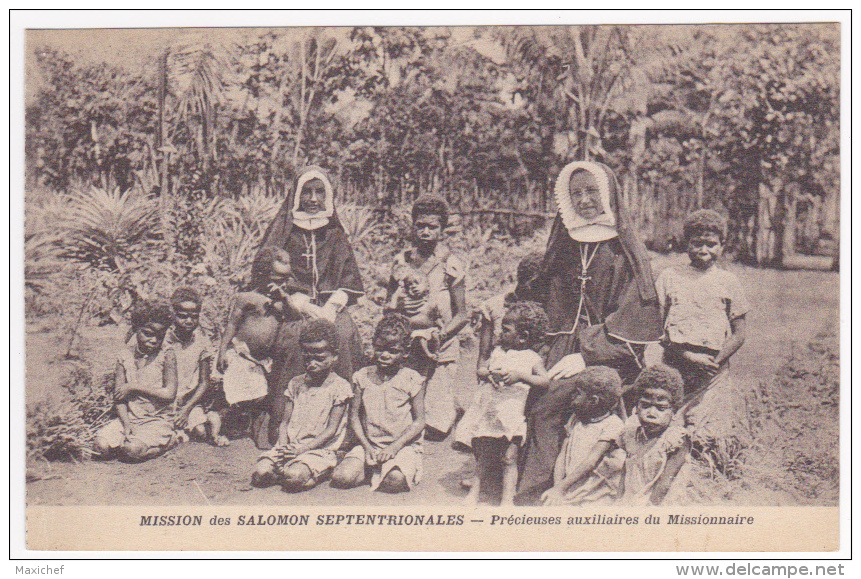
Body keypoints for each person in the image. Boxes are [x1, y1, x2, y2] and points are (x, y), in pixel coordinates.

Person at [517, 161, 664, 503]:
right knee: (523, 391)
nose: (584, 200)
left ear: (608, 195)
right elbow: (543, 298)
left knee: (548, 403)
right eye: (576, 194)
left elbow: (632, 318)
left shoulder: (625, 252)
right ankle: (503, 474)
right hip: (559, 343)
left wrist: (585, 355)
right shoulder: (566, 243)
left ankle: (538, 493)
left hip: (608, 350)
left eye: (591, 191)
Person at [254, 166, 366, 448]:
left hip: (331, 307)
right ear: (297, 195)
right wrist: (298, 301)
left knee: (340, 334)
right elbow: (264, 271)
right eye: (307, 192)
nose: (313, 199)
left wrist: (332, 306)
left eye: (319, 192)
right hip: (292, 307)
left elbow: (349, 275)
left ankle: (343, 425)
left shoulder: (335, 233)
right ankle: (286, 422)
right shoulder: (285, 231)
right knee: (295, 341)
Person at [655, 209, 750, 471]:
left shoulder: (728, 281)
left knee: (709, 430)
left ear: (722, 246)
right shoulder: (669, 278)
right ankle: (668, 476)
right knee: (670, 424)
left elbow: (739, 333)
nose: (703, 250)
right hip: (677, 362)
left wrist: (714, 361)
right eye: (697, 243)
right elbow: (657, 330)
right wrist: (686, 356)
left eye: (711, 244)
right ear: (686, 244)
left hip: (714, 369)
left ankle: (708, 479)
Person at [387, 194, 468, 439]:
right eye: (420, 225)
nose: (425, 232)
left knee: (434, 429)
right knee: (399, 422)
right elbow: (387, 307)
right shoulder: (401, 262)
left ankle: (453, 408)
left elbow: (463, 314)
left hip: (440, 347)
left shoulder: (450, 264)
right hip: (407, 345)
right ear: (412, 226)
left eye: (432, 227)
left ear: (442, 229)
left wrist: (438, 337)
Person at [460, 301, 550, 506]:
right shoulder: (498, 352)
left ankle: (507, 500)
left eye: (506, 330)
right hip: (490, 413)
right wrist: (489, 374)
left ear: (523, 336)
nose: (500, 334)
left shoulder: (532, 358)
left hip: (512, 417)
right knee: (483, 456)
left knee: (509, 458)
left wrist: (521, 376)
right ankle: (474, 493)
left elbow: (544, 381)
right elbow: (481, 370)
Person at [251, 319, 353, 492]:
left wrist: (302, 451)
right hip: (291, 446)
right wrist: (283, 446)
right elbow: (285, 422)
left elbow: (331, 430)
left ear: (335, 356)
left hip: (318, 449)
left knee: (293, 478)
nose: (312, 363)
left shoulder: (340, 387)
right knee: (260, 474)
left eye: (319, 358)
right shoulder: (295, 383)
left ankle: (319, 471)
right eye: (307, 357)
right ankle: (293, 471)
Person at [332, 314, 426, 493]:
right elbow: (354, 418)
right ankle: (368, 467)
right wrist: (366, 446)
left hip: (401, 445)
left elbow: (419, 421)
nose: (384, 355)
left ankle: (391, 468)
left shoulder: (412, 379)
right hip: (370, 444)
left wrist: (394, 447)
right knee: (341, 478)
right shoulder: (362, 376)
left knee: (394, 482)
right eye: (380, 348)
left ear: (405, 352)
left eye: (392, 351)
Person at [92, 301, 179, 462]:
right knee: (100, 446)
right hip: (130, 418)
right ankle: (126, 443)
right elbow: (119, 397)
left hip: (157, 421)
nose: (153, 340)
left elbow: (169, 394)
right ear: (135, 329)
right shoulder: (125, 356)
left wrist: (134, 387)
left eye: (159, 336)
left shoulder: (167, 354)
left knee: (132, 451)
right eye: (147, 333)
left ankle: (169, 441)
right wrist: (126, 424)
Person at [540, 366, 626, 506]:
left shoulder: (613, 425)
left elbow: (591, 461)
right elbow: (563, 455)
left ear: (593, 400)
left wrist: (561, 488)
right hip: (568, 487)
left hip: (594, 494)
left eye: (577, 393)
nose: (572, 396)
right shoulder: (576, 418)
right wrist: (558, 487)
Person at [618, 365, 690, 506]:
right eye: (645, 405)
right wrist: (619, 500)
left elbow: (665, 484)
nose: (651, 413)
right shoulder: (632, 435)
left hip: (659, 504)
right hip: (632, 501)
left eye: (660, 408)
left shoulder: (676, 439)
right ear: (636, 407)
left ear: (674, 412)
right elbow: (625, 472)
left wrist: (648, 509)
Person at [166, 288, 225, 446]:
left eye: (194, 317)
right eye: (183, 316)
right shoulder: (164, 340)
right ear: (173, 315)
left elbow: (204, 382)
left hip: (188, 401)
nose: (189, 321)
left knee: (200, 432)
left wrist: (186, 409)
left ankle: (192, 425)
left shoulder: (202, 341)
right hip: (164, 400)